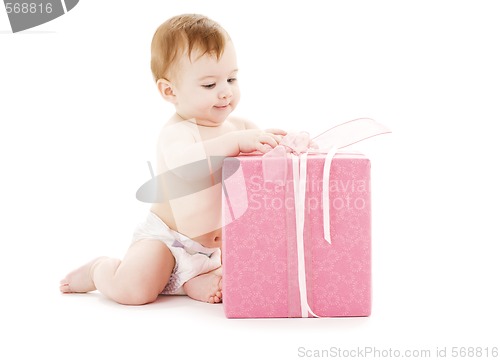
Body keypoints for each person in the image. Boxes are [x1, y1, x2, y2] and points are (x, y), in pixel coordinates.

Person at [59, 14, 286, 305]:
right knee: (135, 291)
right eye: (209, 85)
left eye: (231, 78)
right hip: (166, 240)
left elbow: (262, 169)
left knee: (249, 270)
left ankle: (193, 279)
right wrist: (235, 143)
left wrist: (282, 144)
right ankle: (100, 269)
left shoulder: (241, 127)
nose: (226, 91)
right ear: (170, 91)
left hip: (211, 251)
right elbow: (187, 166)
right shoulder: (178, 133)